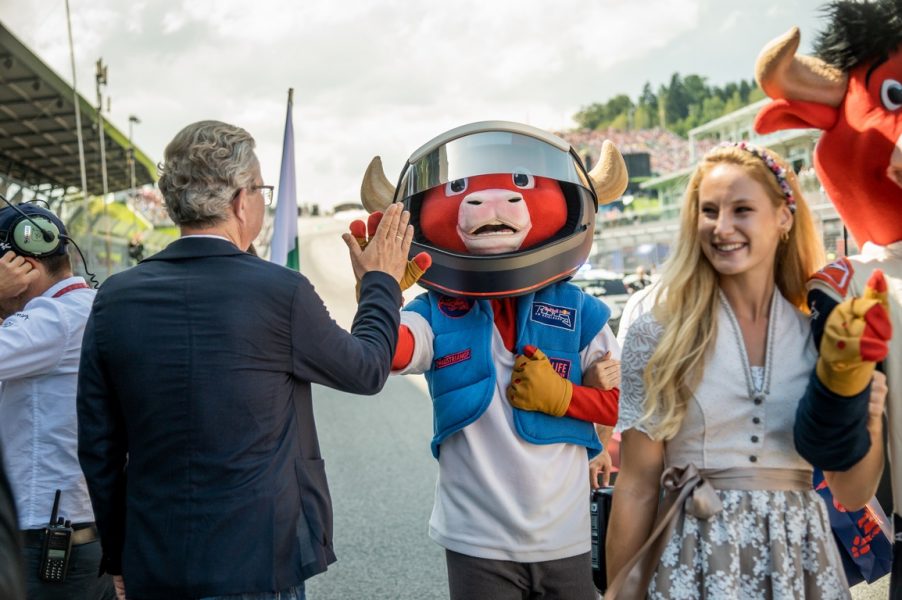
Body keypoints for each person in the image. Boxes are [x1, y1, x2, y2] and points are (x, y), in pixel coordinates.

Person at [76, 120, 415, 600]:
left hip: (154, 562)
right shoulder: (281, 293)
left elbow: (98, 447)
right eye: (262, 190)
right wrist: (380, 283)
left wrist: (117, 555)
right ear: (240, 200)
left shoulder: (114, 298)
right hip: (261, 563)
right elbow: (366, 370)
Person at [604, 143, 856, 598]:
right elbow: (638, 485)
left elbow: (850, 487)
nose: (721, 228)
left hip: (798, 559)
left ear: (784, 217)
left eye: (741, 209)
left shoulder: (823, 337)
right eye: (708, 211)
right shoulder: (657, 334)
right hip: (693, 558)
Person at [0, 204, 113, 600]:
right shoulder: (87, 307)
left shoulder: (52, 320)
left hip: (45, 545)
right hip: (81, 534)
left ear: (23, 266)